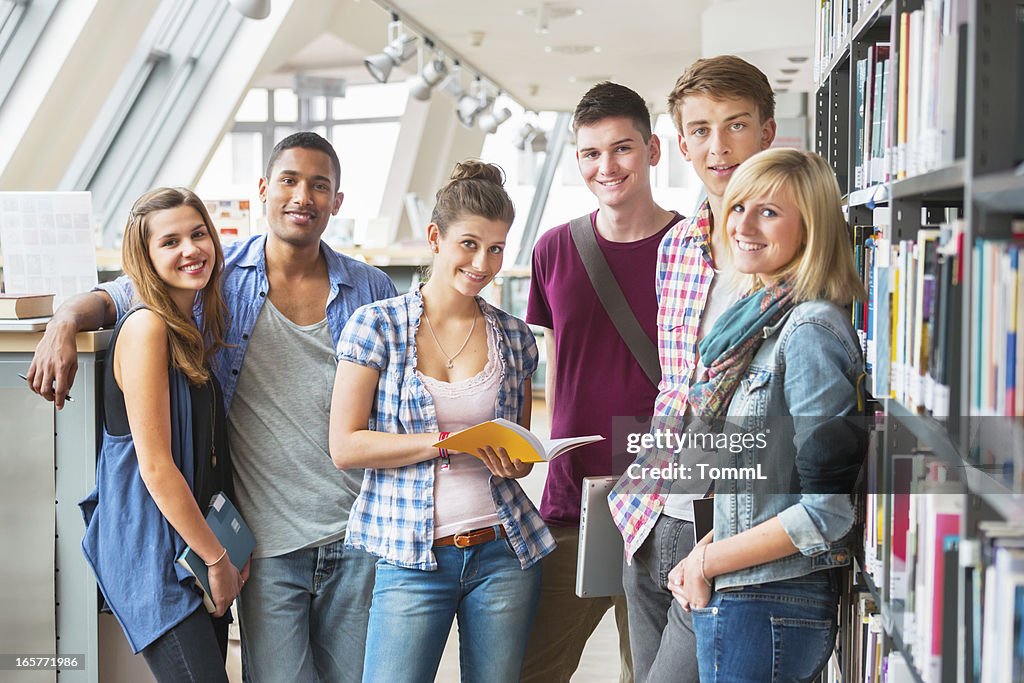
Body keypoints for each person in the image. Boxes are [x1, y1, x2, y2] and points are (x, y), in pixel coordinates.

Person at [28, 132, 397, 682]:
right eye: (290, 181)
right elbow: (125, 293)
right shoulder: (218, 281)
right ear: (264, 190)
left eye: (320, 186)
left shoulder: (371, 290)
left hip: (359, 535)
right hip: (265, 542)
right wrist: (63, 320)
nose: (303, 196)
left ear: (337, 200)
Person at [329, 160, 552, 683]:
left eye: (497, 248)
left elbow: (514, 453)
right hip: (411, 559)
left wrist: (516, 461)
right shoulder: (376, 326)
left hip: (504, 553)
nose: (483, 262)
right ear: (435, 237)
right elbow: (345, 445)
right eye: (470, 244)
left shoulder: (516, 338)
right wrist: (446, 442)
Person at [608, 55, 777, 683]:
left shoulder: (798, 248)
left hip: (730, 526)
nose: (719, 146)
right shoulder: (675, 245)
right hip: (653, 515)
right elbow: (672, 384)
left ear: (767, 132)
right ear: (680, 144)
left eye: (736, 125)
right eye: (701, 130)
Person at [669, 147, 867, 681]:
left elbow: (826, 513)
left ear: (811, 229)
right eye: (738, 207)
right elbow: (765, 491)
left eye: (770, 212)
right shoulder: (758, 329)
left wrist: (707, 562)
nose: (744, 225)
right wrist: (700, 556)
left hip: (771, 600)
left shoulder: (808, 332)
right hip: (748, 594)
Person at [521, 81, 683, 683]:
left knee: (648, 672)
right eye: (590, 153)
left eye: (621, 149)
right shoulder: (554, 249)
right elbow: (559, 363)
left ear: (652, 150)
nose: (606, 166)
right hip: (573, 500)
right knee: (531, 667)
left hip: (669, 503)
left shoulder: (694, 247)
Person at [79, 187, 243, 682]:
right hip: (154, 553)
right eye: (170, 242)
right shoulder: (148, 327)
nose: (191, 250)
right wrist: (217, 559)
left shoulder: (187, 327)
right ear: (146, 257)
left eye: (198, 235)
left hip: (191, 543)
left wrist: (230, 548)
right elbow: (154, 465)